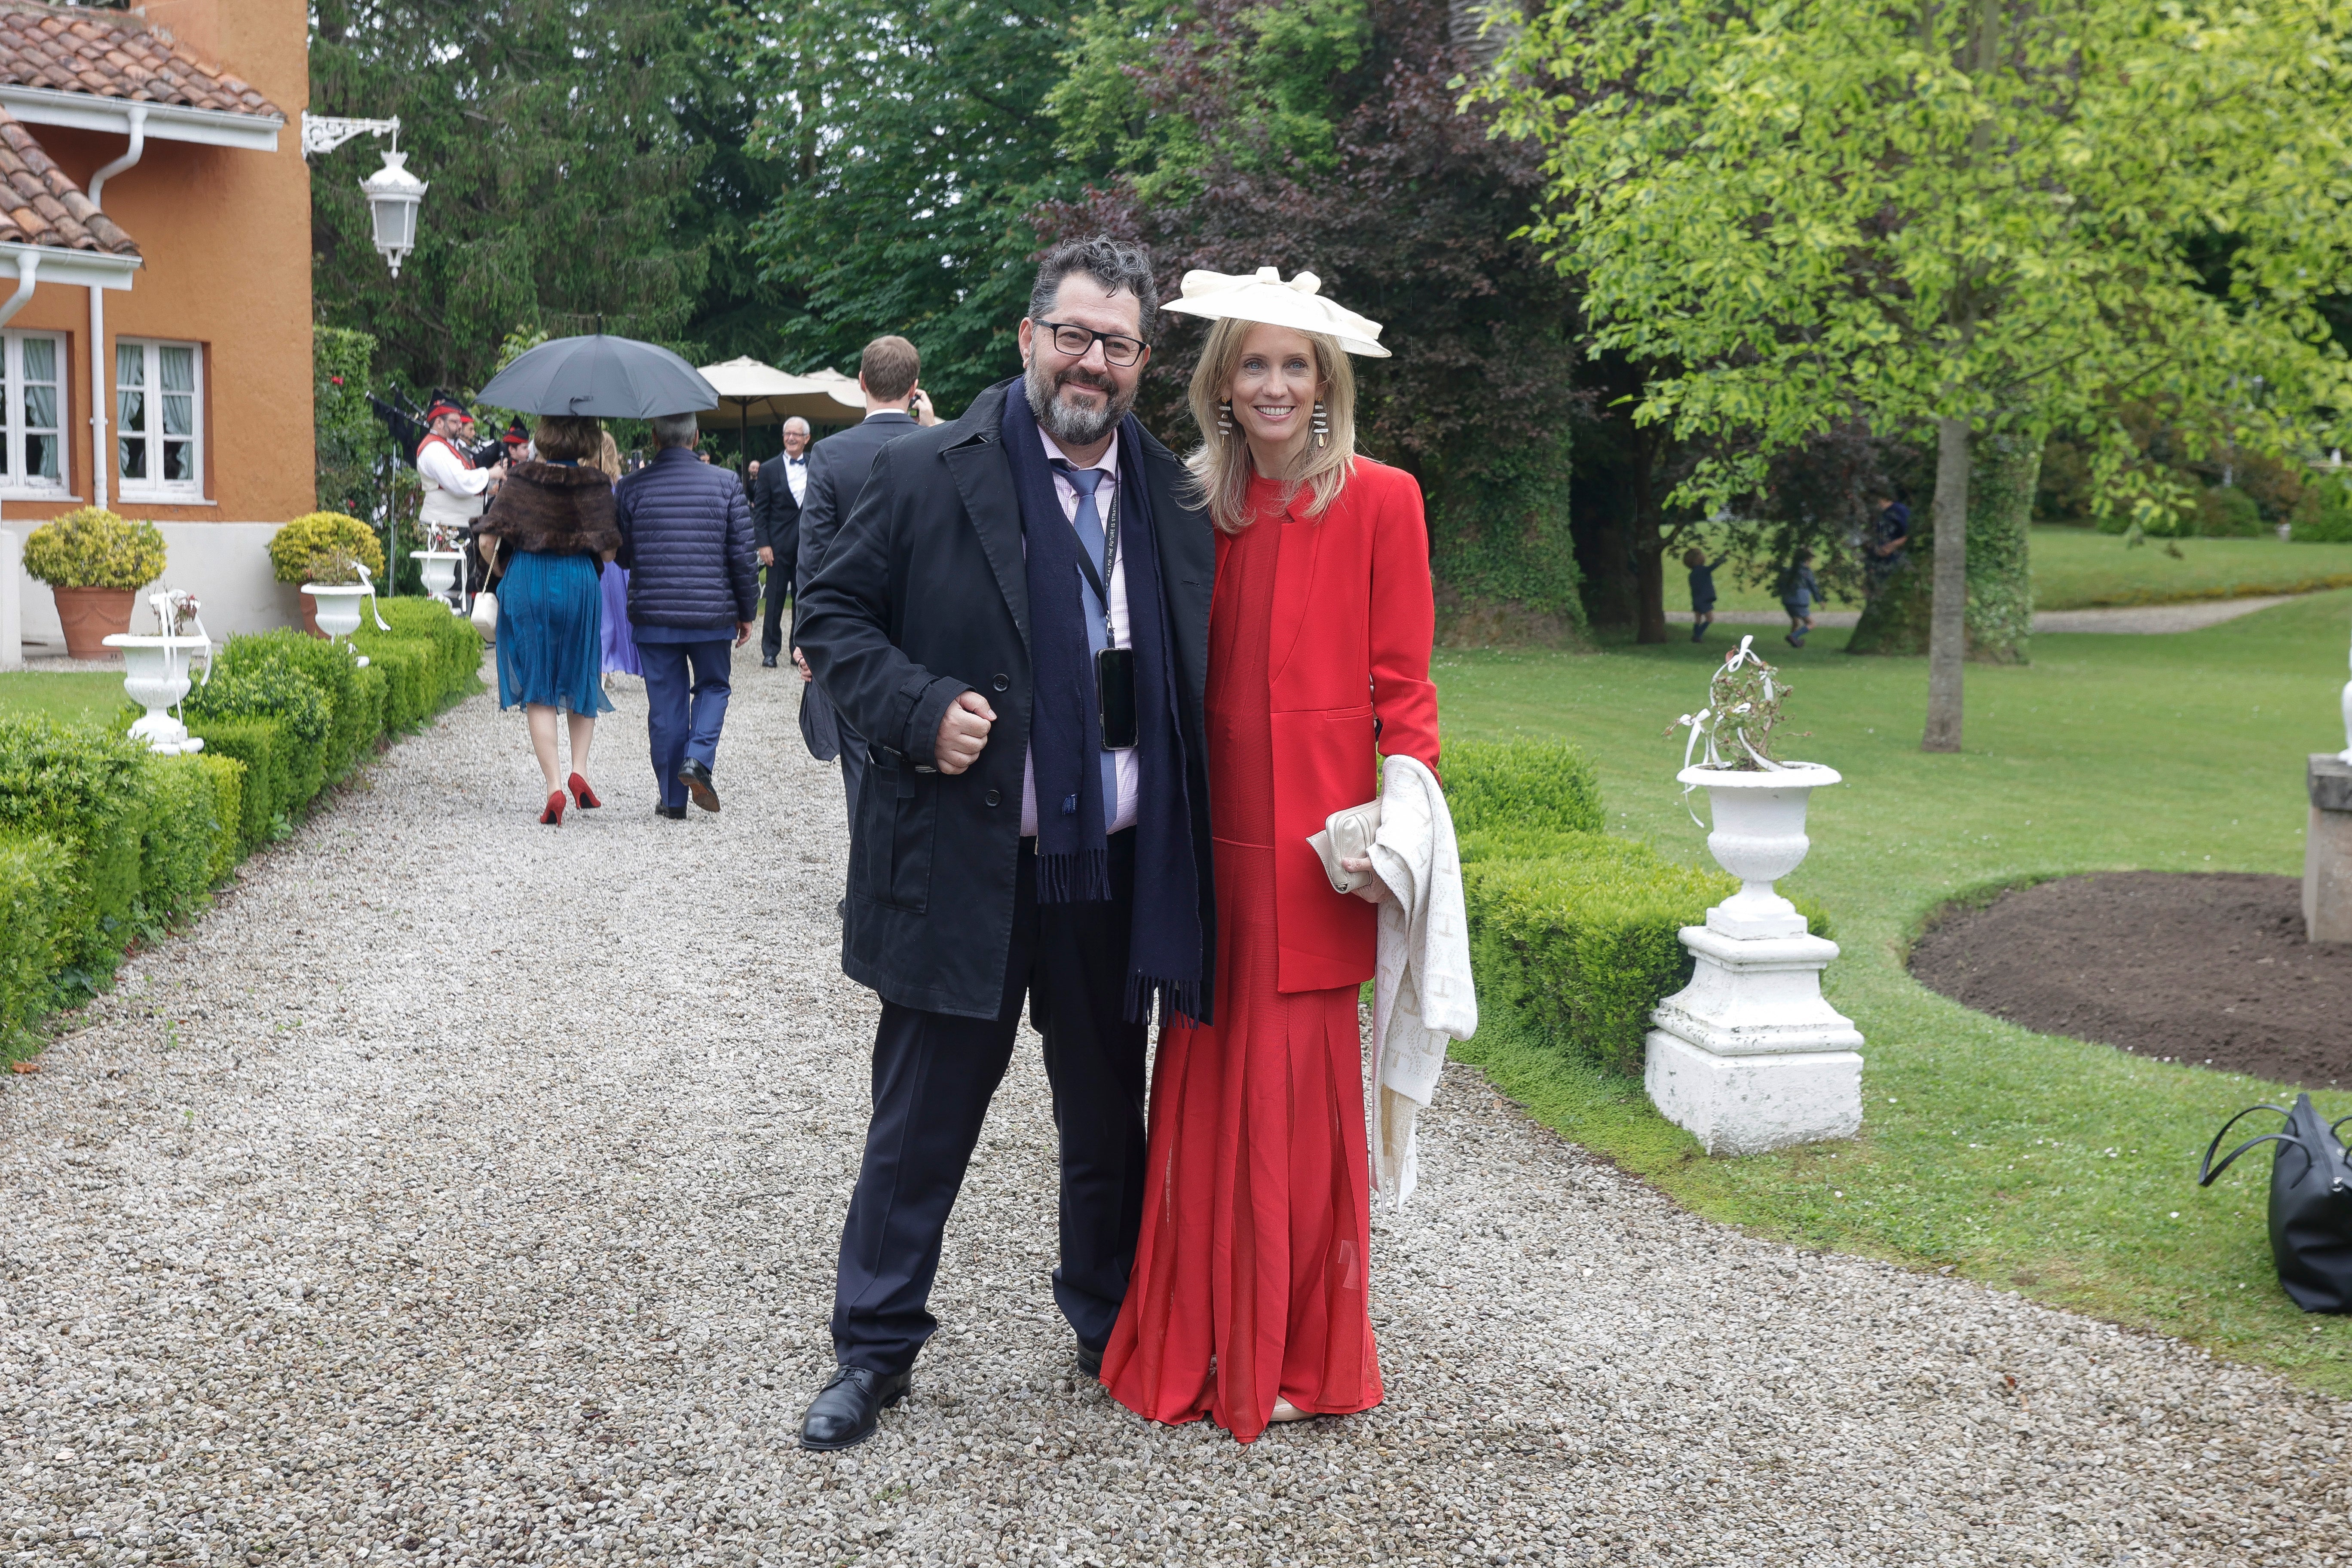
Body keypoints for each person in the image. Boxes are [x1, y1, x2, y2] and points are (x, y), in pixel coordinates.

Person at [791, 238, 1216, 1452]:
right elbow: (829, 616)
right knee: (922, 1124)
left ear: (1145, 362)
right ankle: (873, 1351)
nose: (1093, 362)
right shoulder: (929, 472)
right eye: (1074, 335)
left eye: (1119, 344)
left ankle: (1108, 1326)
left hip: (1113, 870)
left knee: (1105, 1118)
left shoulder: (1177, 499)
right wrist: (921, 711)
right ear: (1030, 339)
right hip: (966, 864)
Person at [1096, 267, 1438, 1443]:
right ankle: (1198, 1338)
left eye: (1299, 365)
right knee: (1200, 1087)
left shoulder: (1386, 499)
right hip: (1205, 845)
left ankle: (1300, 1353)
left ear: (1328, 384)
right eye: (1256, 364)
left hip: (1316, 853)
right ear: (1223, 386)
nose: (1278, 384)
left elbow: (1408, 687)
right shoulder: (1193, 506)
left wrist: (1404, 816)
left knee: (1300, 1101)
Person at [792, 336, 934, 836]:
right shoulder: (938, 447)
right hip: (925, 623)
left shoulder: (830, 455)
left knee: (858, 754)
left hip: (857, 629)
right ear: (914, 387)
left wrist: (808, 636)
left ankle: (869, 883)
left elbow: (814, 553)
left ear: (862, 384)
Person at [473, 415, 621, 826]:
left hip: (528, 579)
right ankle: (581, 771)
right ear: (585, 441)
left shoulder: (520, 479)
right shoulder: (595, 484)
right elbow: (608, 554)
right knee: (581, 671)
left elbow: (487, 540)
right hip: (579, 583)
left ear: (543, 439)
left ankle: (554, 787)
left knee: (538, 684)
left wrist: (503, 571)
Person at [614, 412, 758, 819]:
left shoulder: (630, 487)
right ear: (696, 438)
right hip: (711, 615)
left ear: (656, 439)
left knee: (666, 706)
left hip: (654, 613)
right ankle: (697, 760)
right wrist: (746, 610)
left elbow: (623, 555)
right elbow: (742, 557)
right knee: (714, 687)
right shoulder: (727, 482)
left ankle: (672, 800)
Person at [753, 417, 812, 668]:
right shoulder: (768, 469)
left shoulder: (817, 465)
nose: (791, 438)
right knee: (775, 600)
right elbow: (761, 512)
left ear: (806, 439)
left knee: (804, 601)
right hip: (776, 548)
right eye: (787, 434)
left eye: (796, 435)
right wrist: (763, 544)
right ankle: (770, 651)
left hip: (808, 547)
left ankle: (797, 650)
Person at [416, 395, 505, 541]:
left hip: (457, 525)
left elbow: (468, 479)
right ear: (439, 422)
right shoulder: (434, 448)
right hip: (444, 527)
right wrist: (489, 473)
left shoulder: (448, 447)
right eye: (454, 421)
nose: (459, 426)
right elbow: (460, 482)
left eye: (460, 422)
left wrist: (492, 474)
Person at [594, 432, 642, 681]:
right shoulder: (619, 483)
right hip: (615, 556)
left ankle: (603, 665)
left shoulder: (591, 484)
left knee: (603, 615)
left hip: (599, 553)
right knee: (613, 612)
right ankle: (606, 665)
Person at [1866, 492, 1911, 591]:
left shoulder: (1899, 511)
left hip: (1895, 560)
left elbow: (1911, 533)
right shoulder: (1877, 514)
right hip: (1877, 561)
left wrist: (1892, 546)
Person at [1781, 549, 1819, 646]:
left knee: (1796, 622)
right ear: (1808, 559)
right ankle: (1794, 637)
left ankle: (1794, 643)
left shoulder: (1789, 570)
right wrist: (1820, 600)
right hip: (1799, 601)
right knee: (1811, 624)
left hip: (1787, 600)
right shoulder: (1806, 572)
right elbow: (1813, 586)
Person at [1685, 546, 1719, 643]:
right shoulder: (1703, 570)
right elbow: (1714, 566)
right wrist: (1723, 557)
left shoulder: (1692, 574)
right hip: (1704, 600)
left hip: (1696, 599)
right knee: (1710, 619)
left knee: (1698, 619)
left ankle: (1696, 635)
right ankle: (1698, 636)